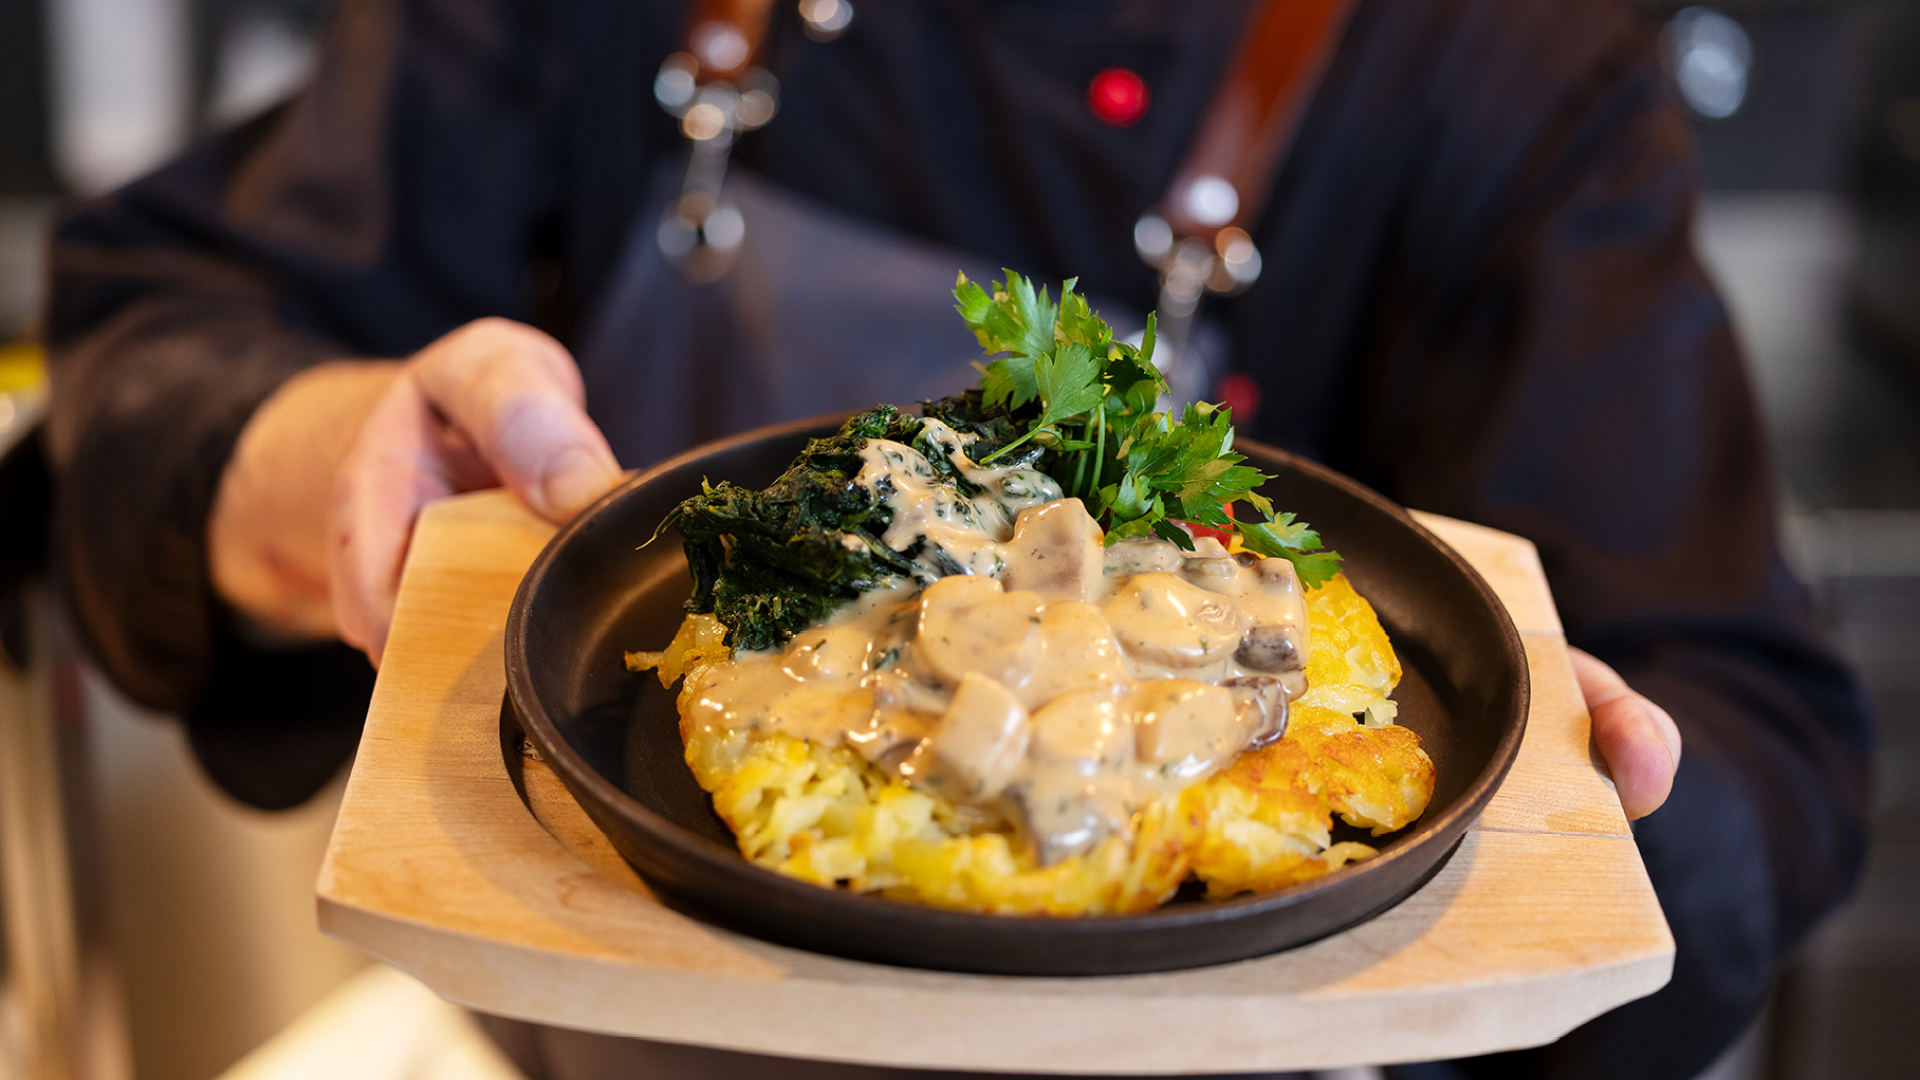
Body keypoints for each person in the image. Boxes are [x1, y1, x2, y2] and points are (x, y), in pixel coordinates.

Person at [42, 0, 1870, 1077]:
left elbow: (1765, 738)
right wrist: (325, 464)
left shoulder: (1499, 65)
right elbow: (157, 339)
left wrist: (1556, 823)